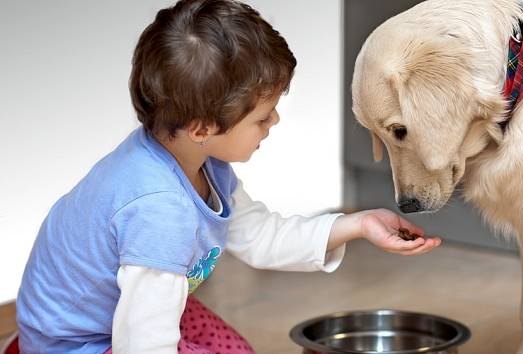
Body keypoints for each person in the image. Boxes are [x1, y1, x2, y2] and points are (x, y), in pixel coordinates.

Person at [15, 0, 441, 353]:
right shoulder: (159, 211)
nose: (273, 120)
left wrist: (357, 225)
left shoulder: (194, 158)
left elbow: (258, 237)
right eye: (260, 117)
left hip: (120, 315)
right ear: (201, 127)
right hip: (78, 343)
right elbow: (143, 343)